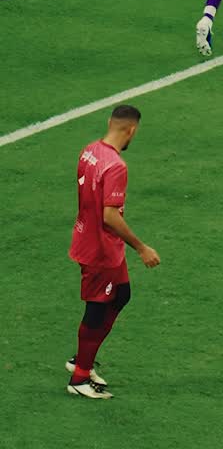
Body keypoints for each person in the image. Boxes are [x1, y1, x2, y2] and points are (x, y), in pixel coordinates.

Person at [67, 105, 160, 400]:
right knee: (97, 308)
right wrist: (142, 248)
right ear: (131, 130)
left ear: (110, 122)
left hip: (90, 238)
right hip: (100, 249)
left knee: (121, 295)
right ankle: (80, 376)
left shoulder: (89, 151)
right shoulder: (116, 166)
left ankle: (83, 357)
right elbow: (109, 216)